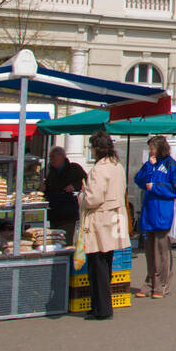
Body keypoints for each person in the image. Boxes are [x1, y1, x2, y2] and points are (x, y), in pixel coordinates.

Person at [78, 132, 130, 320]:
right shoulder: (117, 166)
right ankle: (100, 306)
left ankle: (101, 308)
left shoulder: (99, 169)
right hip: (114, 217)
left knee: (97, 265)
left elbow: (94, 198)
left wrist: (82, 195)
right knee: (105, 264)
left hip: (101, 219)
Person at [133, 135, 176, 298]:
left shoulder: (172, 166)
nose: (150, 151)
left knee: (161, 251)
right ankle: (149, 282)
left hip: (163, 213)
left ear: (160, 147)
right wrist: (149, 166)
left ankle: (162, 284)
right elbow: (139, 179)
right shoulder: (151, 164)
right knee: (149, 251)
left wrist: (155, 187)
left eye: (152, 148)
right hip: (149, 213)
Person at [43, 146, 86, 247]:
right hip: (54, 214)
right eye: (50, 157)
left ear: (61, 157)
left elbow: (86, 181)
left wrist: (74, 186)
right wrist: (43, 189)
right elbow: (49, 189)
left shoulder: (74, 168)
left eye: (53, 157)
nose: (51, 160)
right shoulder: (52, 171)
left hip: (68, 214)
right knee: (54, 243)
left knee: (66, 243)